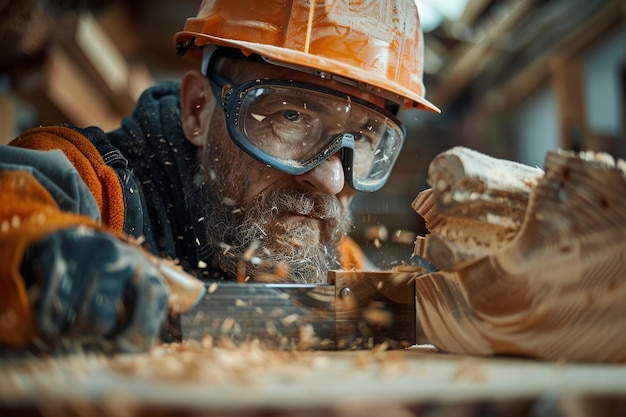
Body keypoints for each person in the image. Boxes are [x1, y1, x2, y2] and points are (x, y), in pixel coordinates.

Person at [0, 0, 439, 353]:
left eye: (363, 138)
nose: (329, 180)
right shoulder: (93, 185)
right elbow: (14, 214)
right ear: (198, 110)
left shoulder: (335, 263)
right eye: (290, 116)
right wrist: (37, 254)